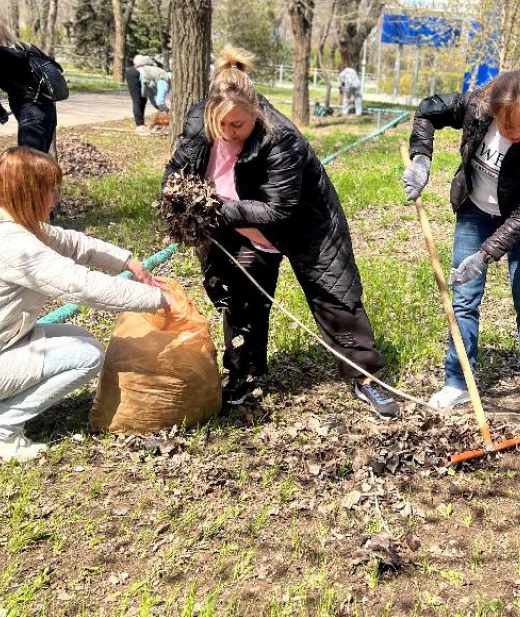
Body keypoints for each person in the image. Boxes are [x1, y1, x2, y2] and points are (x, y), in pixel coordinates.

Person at [162, 46, 400, 420]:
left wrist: (215, 208)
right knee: (242, 299)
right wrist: (180, 199)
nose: (228, 133)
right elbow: (176, 171)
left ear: (255, 112)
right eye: (220, 124)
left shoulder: (280, 138)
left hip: (306, 227)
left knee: (335, 297)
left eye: (238, 125)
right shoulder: (199, 123)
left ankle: (367, 377)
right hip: (239, 227)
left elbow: (279, 209)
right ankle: (244, 374)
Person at [0, 147, 173, 463]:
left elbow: (74, 244)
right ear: (28, 193)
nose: (57, 197)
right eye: (51, 189)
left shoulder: (8, 223)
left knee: (76, 338)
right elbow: (82, 285)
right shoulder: (13, 245)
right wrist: (157, 299)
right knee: (87, 356)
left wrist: (128, 261)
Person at [401, 70, 520, 427]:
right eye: (509, 127)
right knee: (463, 298)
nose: (517, 134)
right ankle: (457, 382)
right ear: (492, 111)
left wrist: (486, 254)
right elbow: (428, 110)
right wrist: (421, 158)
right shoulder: (476, 105)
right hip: (475, 211)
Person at [0, 16, 58, 154]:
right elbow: (56, 67)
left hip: (31, 116)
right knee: (41, 164)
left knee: (29, 166)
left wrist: (0, 112)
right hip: (48, 112)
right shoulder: (25, 48)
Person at [126, 55, 151, 136]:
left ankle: (141, 123)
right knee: (137, 100)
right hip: (135, 74)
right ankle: (139, 125)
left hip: (139, 72)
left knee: (143, 99)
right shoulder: (136, 70)